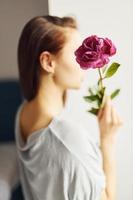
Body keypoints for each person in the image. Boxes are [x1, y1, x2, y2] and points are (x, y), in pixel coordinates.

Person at [14, 15, 123, 200]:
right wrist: (107, 140)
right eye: (77, 54)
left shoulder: (24, 112)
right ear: (48, 62)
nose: (85, 64)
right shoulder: (70, 143)